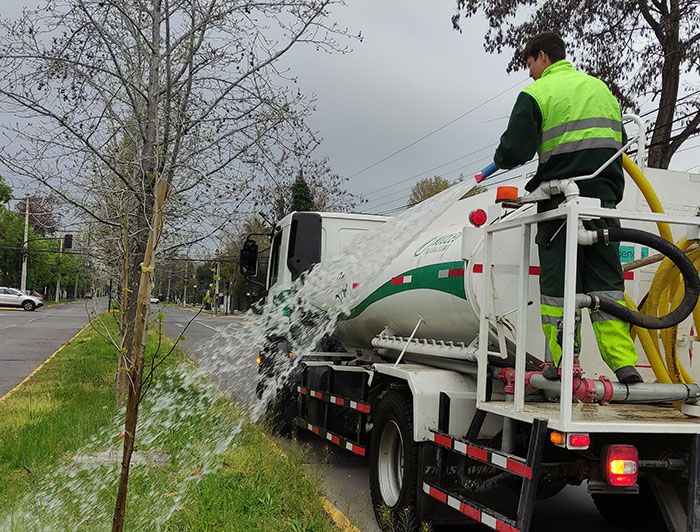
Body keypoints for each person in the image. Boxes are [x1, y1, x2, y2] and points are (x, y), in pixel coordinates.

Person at [491, 32, 642, 384]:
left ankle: (563, 364)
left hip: (561, 203)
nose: (529, 72)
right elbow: (617, 143)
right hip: (603, 205)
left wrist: (500, 158)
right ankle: (624, 365)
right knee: (607, 287)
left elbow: (514, 151)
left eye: (529, 63)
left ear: (542, 56)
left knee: (559, 289)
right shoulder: (601, 90)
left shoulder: (537, 93)